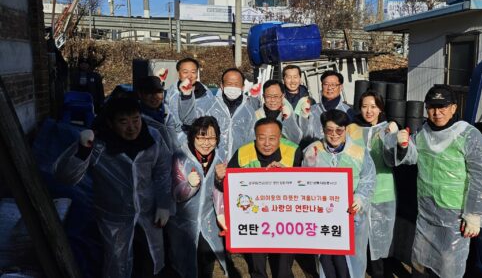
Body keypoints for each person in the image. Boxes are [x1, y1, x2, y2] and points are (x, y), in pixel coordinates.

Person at [54, 97, 172, 278]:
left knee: (150, 262)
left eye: (136, 119)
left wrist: (164, 204)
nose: (132, 127)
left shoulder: (152, 138)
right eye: (123, 122)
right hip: (113, 219)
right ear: (110, 123)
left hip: (148, 216)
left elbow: (163, 173)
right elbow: (65, 177)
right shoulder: (98, 144)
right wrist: (82, 150)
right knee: (116, 266)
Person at [395, 85, 482, 278]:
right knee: (421, 262)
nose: (437, 112)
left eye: (443, 106)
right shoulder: (422, 133)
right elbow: (410, 157)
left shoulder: (468, 135)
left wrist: (474, 213)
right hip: (426, 212)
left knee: (449, 267)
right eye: (432, 107)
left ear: (453, 108)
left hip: (455, 215)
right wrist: (402, 145)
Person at [215, 117, 303, 278]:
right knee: (257, 267)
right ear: (255, 137)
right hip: (254, 220)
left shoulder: (294, 151)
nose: (267, 143)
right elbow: (229, 187)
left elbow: (307, 187)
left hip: (286, 220)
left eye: (272, 138)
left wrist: (289, 175)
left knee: (283, 269)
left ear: (280, 137)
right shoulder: (243, 152)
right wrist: (220, 178)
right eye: (262, 138)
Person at [302, 109, 376, 278]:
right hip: (324, 218)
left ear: (346, 130)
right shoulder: (312, 151)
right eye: (329, 130)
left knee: (349, 262)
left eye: (339, 130)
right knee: (326, 259)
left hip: (351, 217)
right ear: (323, 130)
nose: (334, 135)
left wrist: (360, 198)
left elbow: (368, 179)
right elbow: (303, 180)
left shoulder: (358, 152)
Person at [167, 116, 234, 278]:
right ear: (192, 137)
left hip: (208, 221)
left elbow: (219, 192)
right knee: (182, 263)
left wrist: (220, 213)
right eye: (201, 137)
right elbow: (176, 195)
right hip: (183, 223)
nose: (207, 143)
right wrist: (189, 186)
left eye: (212, 138)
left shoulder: (219, 158)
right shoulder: (180, 157)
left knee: (206, 261)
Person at [350, 90, 400, 278]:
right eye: (364, 106)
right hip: (359, 193)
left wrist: (396, 130)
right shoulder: (353, 129)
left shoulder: (388, 128)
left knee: (382, 240)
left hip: (383, 191)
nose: (369, 111)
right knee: (360, 240)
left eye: (373, 106)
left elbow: (399, 153)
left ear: (380, 108)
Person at [204, 68, 256, 160]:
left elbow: (251, 139)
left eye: (236, 84)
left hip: (239, 163)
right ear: (222, 86)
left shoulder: (249, 110)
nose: (233, 88)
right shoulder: (210, 107)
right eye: (229, 84)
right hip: (214, 163)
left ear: (243, 87)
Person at [164, 57, 214, 142]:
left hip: (201, 143)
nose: (189, 76)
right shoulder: (170, 94)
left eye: (193, 72)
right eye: (185, 72)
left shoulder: (207, 94)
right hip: (175, 143)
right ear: (178, 74)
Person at [301, 70, 354, 146]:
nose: (329, 88)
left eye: (333, 84)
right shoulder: (311, 111)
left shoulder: (349, 112)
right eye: (326, 84)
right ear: (322, 86)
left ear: (341, 87)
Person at [136, 76, 181, 152]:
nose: (155, 96)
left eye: (158, 92)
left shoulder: (169, 111)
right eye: (149, 92)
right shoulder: (136, 120)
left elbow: (180, 132)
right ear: (140, 94)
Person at [254, 80, 302, 144]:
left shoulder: (290, 114)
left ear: (282, 96)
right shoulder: (256, 115)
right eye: (268, 96)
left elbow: (297, 138)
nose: (272, 100)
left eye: (276, 96)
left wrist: (289, 120)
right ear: (263, 97)